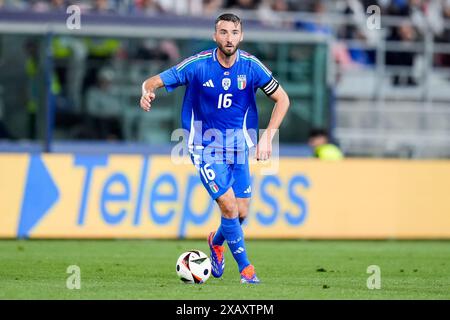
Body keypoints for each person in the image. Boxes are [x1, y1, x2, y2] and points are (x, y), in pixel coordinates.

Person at [140, 13, 290, 284]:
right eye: (223, 32)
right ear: (215, 36)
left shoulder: (251, 67)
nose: (229, 38)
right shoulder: (197, 65)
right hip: (205, 145)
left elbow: (283, 99)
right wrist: (147, 91)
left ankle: (215, 241)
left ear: (241, 36)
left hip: (239, 147)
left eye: (234, 32)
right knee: (229, 207)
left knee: (241, 212)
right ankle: (247, 270)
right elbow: (154, 81)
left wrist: (267, 138)